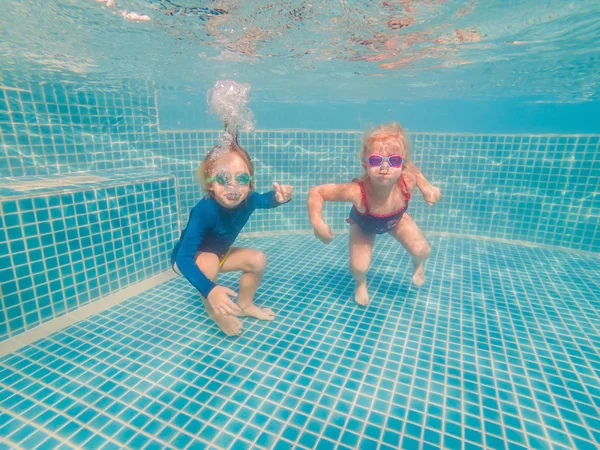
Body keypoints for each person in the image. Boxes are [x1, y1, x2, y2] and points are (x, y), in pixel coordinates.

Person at [172, 134, 293, 336]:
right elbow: (183, 258)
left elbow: (265, 200)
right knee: (209, 260)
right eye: (223, 179)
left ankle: (245, 305)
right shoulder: (205, 211)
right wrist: (210, 289)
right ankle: (218, 314)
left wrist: (279, 199)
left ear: (250, 183)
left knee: (257, 260)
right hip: (186, 260)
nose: (233, 187)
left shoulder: (249, 199)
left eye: (242, 179)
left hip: (220, 253)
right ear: (210, 183)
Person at [307, 122, 440, 306]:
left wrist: (427, 187)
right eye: (376, 160)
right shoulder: (356, 192)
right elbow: (317, 192)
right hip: (364, 225)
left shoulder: (407, 181)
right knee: (358, 268)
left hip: (396, 220)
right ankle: (360, 283)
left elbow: (414, 171)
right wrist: (317, 223)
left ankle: (417, 264)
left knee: (423, 251)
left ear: (402, 165)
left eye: (393, 160)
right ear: (365, 164)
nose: (385, 167)